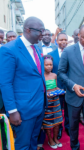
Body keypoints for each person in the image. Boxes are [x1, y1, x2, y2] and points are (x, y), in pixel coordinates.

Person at [0, 17, 47, 150]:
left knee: (33, 141)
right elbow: (5, 83)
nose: (43, 35)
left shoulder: (37, 49)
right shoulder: (9, 50)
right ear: (27, 30)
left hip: (39, 107)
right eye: (40, 31)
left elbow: (38, 76)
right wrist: (12, 111)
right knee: (23, 145)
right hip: (22, 110)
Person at [48, 32, 70, 140]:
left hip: (69, 87)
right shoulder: (51, 55)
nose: (63, 42)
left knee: (68, 109)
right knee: (58, 110)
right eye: (61, 40)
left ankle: (68, 127)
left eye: (65, 39)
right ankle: (59, 129)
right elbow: (49, 72)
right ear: (56, 41)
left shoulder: (72, 53)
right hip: (57, 88)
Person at [43, 55, 63, 149]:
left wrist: (60, 90)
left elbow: (55, 87)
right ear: (42, 65)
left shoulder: (54, 75)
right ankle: (50, 139)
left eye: (50, 64)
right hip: (47, 102)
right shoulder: (41, 76)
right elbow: (41, 90)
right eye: (46, 65)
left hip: (56, 101)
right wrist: (46, 93)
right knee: (48, 122)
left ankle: (55, 138)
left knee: (57, 121)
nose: (49, 66)